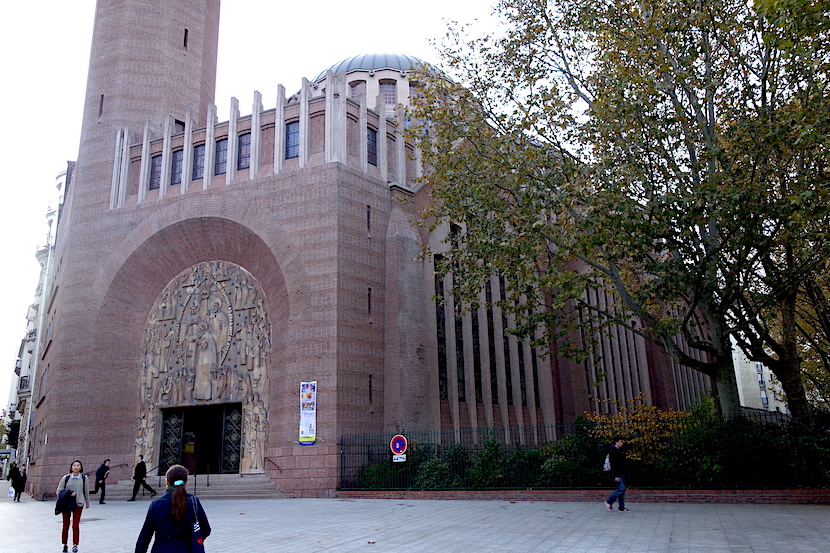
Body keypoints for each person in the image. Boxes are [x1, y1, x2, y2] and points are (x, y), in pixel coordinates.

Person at [135, 464, 211, 553]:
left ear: (167, 482)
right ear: (186, 482)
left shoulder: (156, 504)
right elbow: (206, 529)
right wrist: (193, 539)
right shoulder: (193, 502)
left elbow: (145, 537)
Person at [57, 460, 91, 553]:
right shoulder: (66, 478)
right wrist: (69, 494)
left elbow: (86, 491)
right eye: (74, 465)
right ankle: (65, 544)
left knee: (75, 525)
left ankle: (75, 545)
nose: (76, 467)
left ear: (80, 467)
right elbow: (59, 491)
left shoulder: (84, 478)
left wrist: (87, 503)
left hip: (78, 503)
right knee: (65, 525)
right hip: (66, 504)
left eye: (78, 465)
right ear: (71, 467)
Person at [604, 437, 630, 512]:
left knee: (622, 490)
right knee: (621, 488)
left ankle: (621, 507)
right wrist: (616, 475)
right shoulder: (613, 452)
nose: (621, 443)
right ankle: (609, 501)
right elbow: (614, 465)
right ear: (616, 443)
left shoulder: (619, 451)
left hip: (621, 473)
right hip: (617, 473)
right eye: (620, 442)